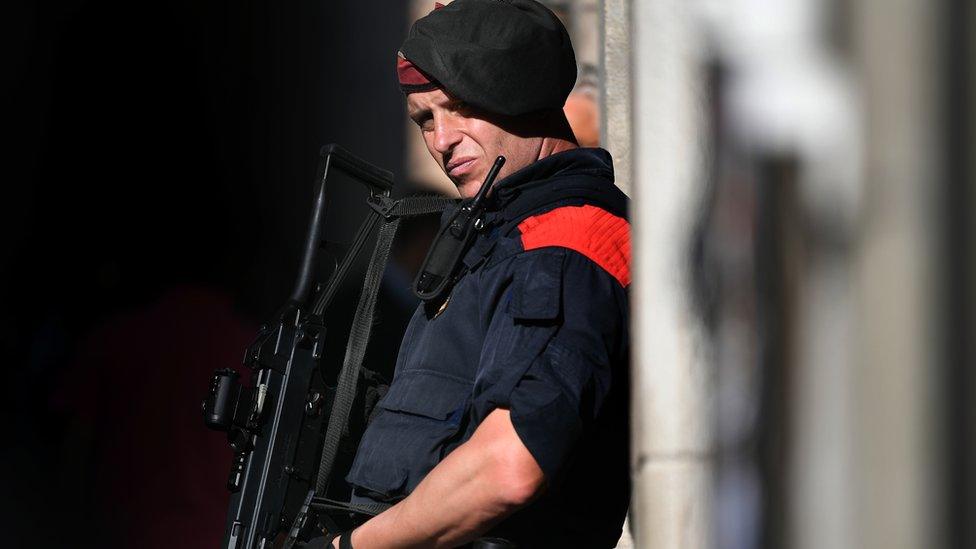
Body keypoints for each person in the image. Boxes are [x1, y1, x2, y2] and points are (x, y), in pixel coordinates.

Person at [334, 1, 631, 547]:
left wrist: (350, 548)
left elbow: (510, 465)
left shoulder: (564, 241)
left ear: (518, 90)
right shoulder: (498, 238)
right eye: (425, 119)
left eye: (461, 106)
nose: (441, 141)